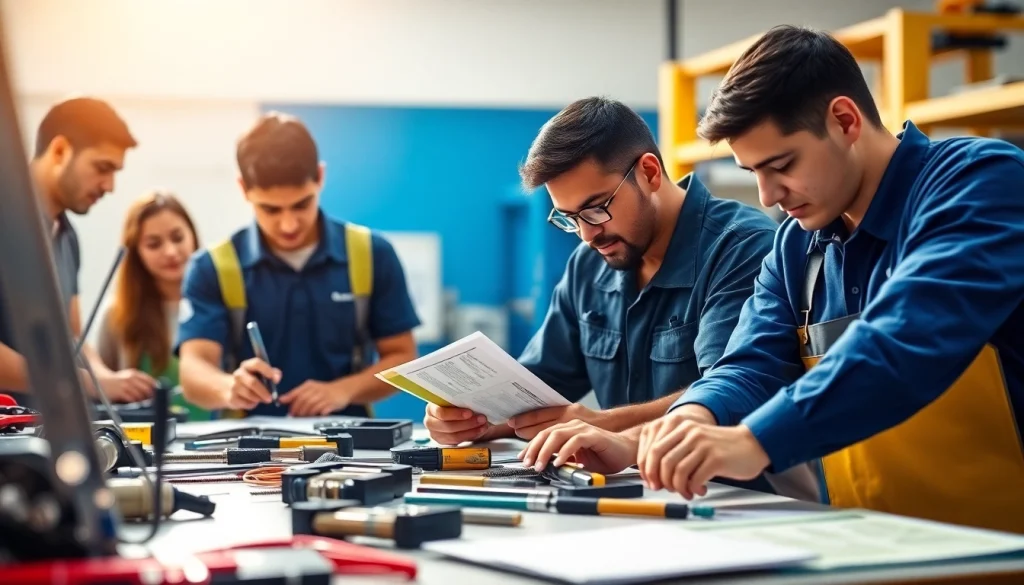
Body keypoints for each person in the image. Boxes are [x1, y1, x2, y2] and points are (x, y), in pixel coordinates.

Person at [520, 25, 1024, 534]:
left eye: (781, 165)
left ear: (844, 121)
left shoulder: (979, 183)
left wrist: (750, 442)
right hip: (877, 542)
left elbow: (905, 340)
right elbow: (750, 366)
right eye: (752, 171)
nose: (765, 196)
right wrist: (663, 435)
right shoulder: (797, 245)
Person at [423, 97, 778, 447]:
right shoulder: (588, 265)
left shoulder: (742, 248)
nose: (587, 235)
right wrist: (477, 420)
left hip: (732, 494)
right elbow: (535, 390)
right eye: (569, 218)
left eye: (595, 209)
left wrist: (603, 424)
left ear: (650, 173)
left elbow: (732, 387)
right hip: (626, 488)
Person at [176, 112, 420, 417]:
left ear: (320, 176)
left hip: (352, 449)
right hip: (249, 450)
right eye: (270, 209)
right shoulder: (212, 267)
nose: (288, 224)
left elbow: (403, 356)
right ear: (243, 189)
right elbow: (193, 369)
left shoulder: (373, 254)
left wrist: (342, 390)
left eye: (301, 204)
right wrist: (228, 387)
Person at [0, 96, 156, 405]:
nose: (109, 186)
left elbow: (72, 334)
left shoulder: (67, 237)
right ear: (59, 151)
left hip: (45, 431)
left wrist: (104, 378)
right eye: (102, 168)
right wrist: (84, 382)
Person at [97, 191, 210, 420]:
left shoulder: (221, 305)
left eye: (177, 238)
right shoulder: (116, 314)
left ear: (193, 236)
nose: (170, 252)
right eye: (153, 244)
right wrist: (114, 384)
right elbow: (100, 388)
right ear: (136, 252)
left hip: (220, 441)